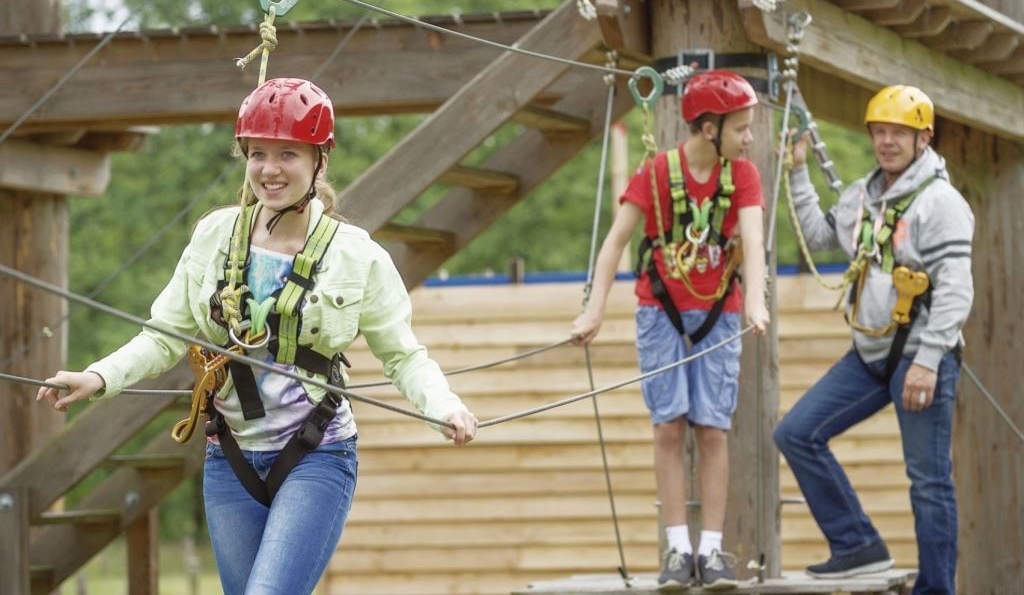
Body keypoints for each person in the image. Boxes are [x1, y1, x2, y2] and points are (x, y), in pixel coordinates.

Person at [38, 77, 477, 595]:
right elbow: (163, 336)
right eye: (258, 154)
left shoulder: (357, 257)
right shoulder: (215, 237)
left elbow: (405, 358)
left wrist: (442, 405)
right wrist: (98, 376)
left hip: (317, 453)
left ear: (320, 162)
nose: (270, 170)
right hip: (231, 458)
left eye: (288, 154)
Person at [570, 70, 769, 591]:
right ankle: (678, 549)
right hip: (660, 310)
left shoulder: (742, 175)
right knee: (669, 427)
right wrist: (594, 310)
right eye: (742, 128)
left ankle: (712, 550)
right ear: (709, 127)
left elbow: (753, 238)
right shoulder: (656, 173)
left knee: (712, 428)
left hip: (720, 310)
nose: (749, 138)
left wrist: (759, 304)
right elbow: (616, 242)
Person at [773, 85, 972, 594]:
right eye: (880, 132)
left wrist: (929, 361)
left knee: (928, 482)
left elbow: (955, 291)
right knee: (796, 432)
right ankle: (856, 543)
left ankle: (936, 589)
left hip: (920, 353)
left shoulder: (939, 203)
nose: (887, 142)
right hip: (870, 353)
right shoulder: (862, 196)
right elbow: (819, 236)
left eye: (899, 133)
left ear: (923, 138)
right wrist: (798, 170)